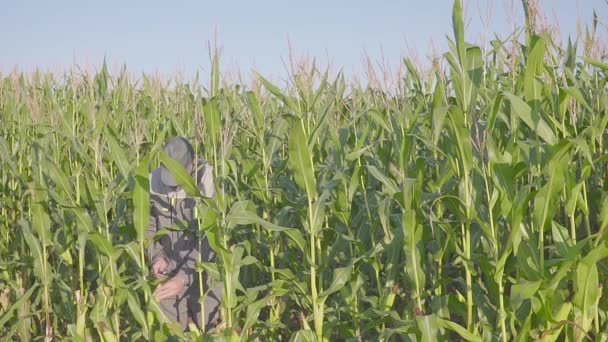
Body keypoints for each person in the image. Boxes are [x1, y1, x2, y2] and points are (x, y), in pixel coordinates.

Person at [146, 136, 221, 332]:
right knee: (172, 331)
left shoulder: (207, 184)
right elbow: (150, 226)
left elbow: (209, 239)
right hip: (169, 267)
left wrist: (184, 277)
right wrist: (157, 257)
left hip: (203, 269)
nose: (174, 185)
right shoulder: (154, 182)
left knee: (208, 326)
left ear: (193, 163)